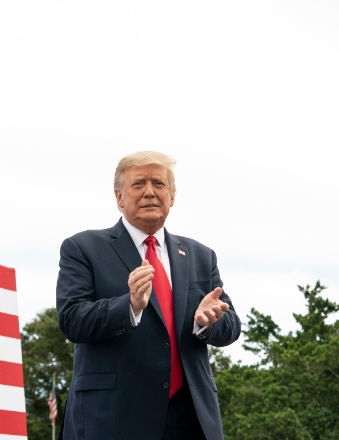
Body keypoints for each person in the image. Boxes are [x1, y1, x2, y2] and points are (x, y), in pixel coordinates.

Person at [56, 151, 241, 440]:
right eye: (139, 184)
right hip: (113, 417)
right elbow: (72, 320)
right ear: (119, 197)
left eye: (159, 183)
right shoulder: (83, 248)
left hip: (189, 418)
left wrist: (207, 322)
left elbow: (231, 327)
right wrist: (129, 306)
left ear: (172, 196)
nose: (150, 192)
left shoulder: (200, 256)